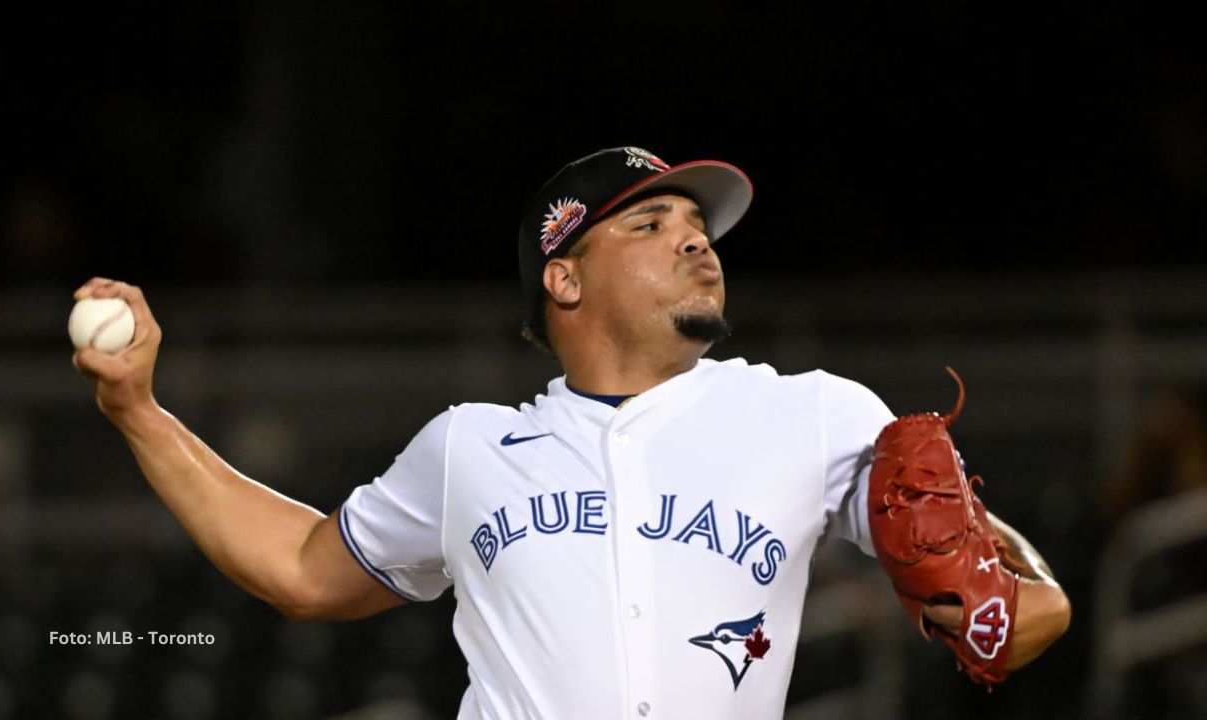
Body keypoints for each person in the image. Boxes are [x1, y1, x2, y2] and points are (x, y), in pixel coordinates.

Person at [72, 146, 1071, 718]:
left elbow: (1014, 605)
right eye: (647, 225)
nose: (692, 236)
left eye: (696, 223)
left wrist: (1014, 580)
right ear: (563, 276)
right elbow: (298, 567)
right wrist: (140, 413)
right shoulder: (469, 448)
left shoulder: (810, 414)